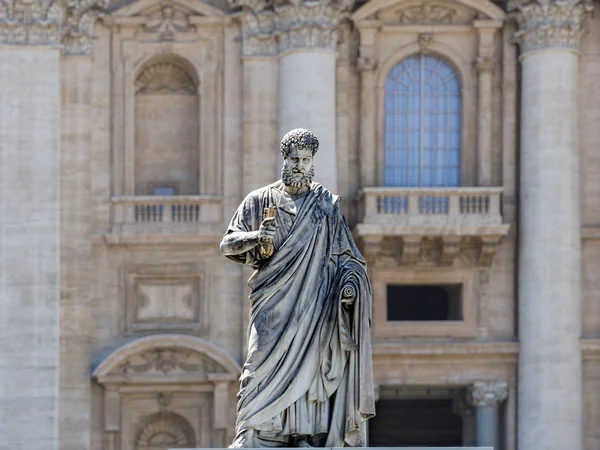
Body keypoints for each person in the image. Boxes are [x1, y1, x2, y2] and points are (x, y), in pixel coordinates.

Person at [220, 128, 375, 448]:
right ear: (284, 159)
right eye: (295, 159)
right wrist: (257, 237)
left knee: (310, 369)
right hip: (271, 302)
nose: (301, 166)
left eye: (306, 160)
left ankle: (303, 434)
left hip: (314, 304)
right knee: (258, 364)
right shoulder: (260, 200)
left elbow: (349, 257)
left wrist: (349, 286)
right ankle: (250, 433)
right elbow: (227, 244)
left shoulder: (326, 206)